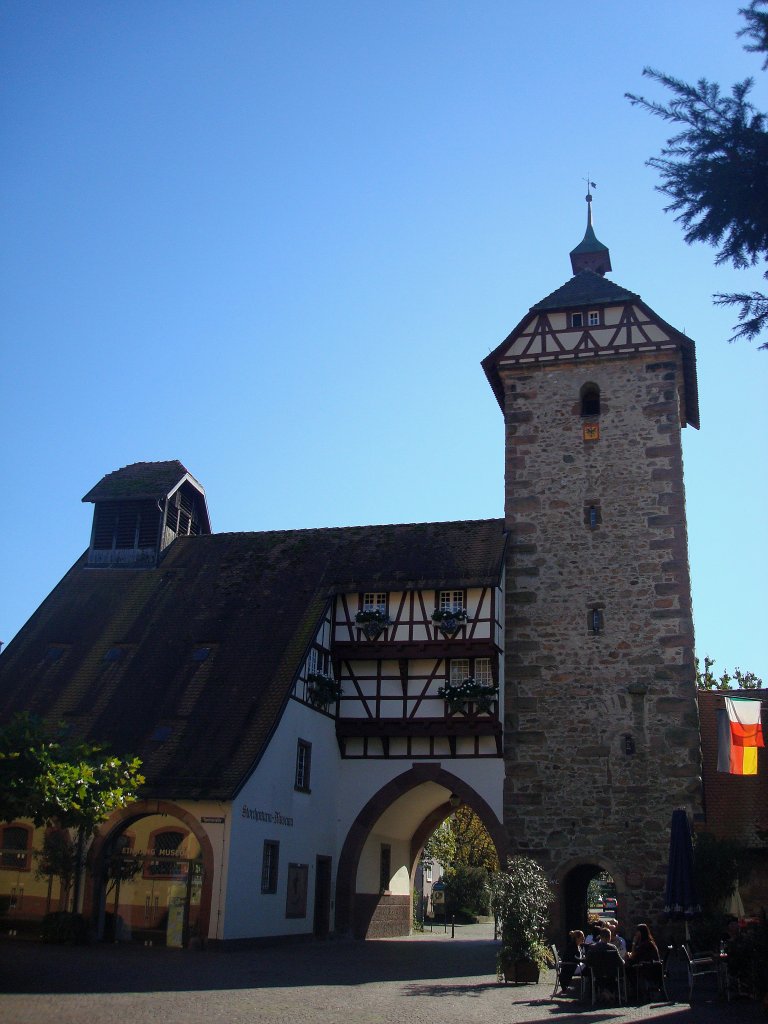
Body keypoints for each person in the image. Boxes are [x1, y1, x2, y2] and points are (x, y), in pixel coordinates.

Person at [586, 926, 623, 1000]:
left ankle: (602, 992)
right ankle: (611, 992)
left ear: (600, 937)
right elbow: (620, 962)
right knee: (614, 977)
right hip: (612, 973)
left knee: (596, 977)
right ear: (609, 937)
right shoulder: (613, 948)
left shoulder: (593, 948)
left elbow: (588, 962)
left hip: (597, 973)